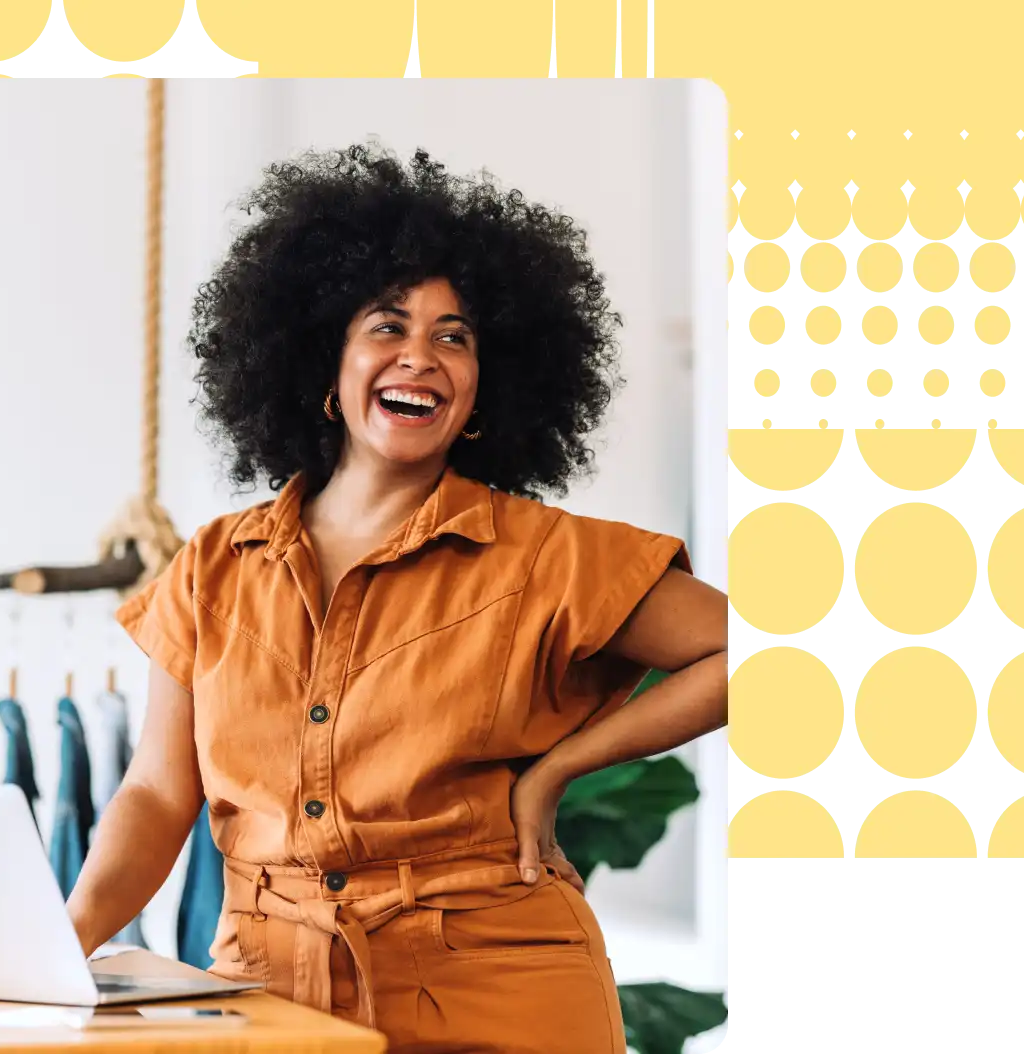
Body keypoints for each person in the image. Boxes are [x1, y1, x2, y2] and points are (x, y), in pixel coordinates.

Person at [67, 143, 727, 1052]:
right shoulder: (213, 566)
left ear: (484, 389)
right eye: (387, 326)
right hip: (268, 996)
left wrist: (561, 766)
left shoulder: (544, 557)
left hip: (500, 994)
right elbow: (154, 792)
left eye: (453, 337)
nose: (421, 356)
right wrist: (65, 945)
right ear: (323, 365)